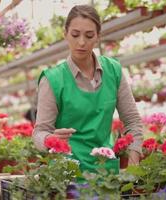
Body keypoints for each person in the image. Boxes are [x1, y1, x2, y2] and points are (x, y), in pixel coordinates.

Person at [32, 5, 143, 178]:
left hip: (106, 176)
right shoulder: (52, 79)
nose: (82, 42)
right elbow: (39, 133)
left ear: (98, 37)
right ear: (65, 34)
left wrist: (133, 168)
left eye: (89, 35)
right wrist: (49, 140)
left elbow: (132, 122)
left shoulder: (113, 71)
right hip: (67, 178)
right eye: (75, 35)